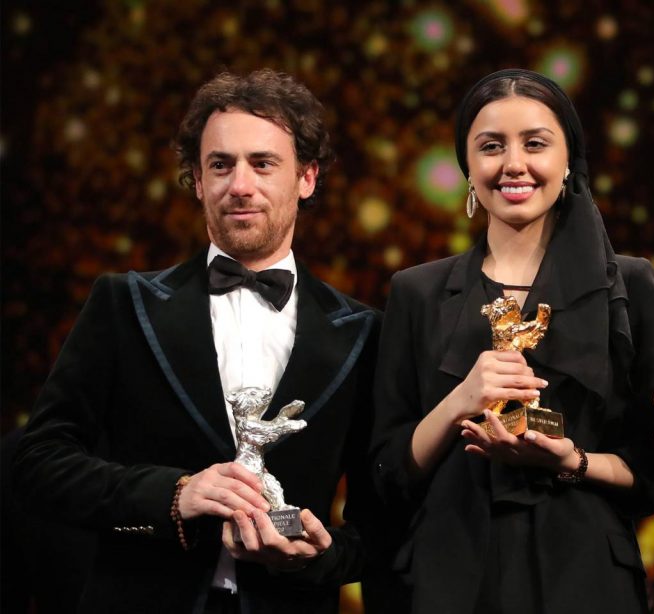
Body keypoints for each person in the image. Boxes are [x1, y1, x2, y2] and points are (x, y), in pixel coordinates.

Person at [14, 69, 380, 614]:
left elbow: (381, 522)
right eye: (220, 165)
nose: (240, 185)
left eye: (263, 163)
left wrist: (316, 558)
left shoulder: (362, 332)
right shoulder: (124, 304)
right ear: (197, 179)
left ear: (306, 177)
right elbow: (38, 463)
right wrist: (174, 494)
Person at [370, 68, 654, 614]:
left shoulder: (627, 286)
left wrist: (572, 460)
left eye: (535, 144)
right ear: (468, 166)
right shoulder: (416, 292)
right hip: (451, 577)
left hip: (587, 578)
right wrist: (460, 401)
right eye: (491, 146)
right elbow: (386, 473)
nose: (513, 164)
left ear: (568, 160)